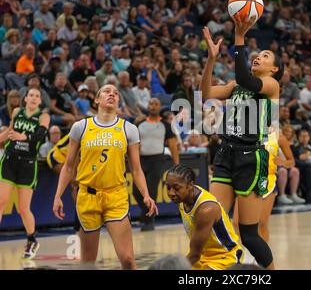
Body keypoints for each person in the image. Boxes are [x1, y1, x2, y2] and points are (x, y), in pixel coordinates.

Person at [201, 16, 282, 270]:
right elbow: (205, 94)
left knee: (249, 234)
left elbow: (248, 80)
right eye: (257, 55)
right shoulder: (236, 85)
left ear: (274, 69)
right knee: (212, 220)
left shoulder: (270, 85)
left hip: (251, 157)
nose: (258, 57)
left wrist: (239, 38)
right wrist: (211, 60)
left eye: (265, 56)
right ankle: (223, 268)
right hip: (226, 153)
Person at [52, 84, 158, 269]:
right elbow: (68, 166)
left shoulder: (129, 129)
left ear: (118, 101)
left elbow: (137, 169)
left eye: (116, 93)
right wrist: (58, 195)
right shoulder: (81, 127)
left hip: (115, 195)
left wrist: (146, 195)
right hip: (87, 197)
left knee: (127, 259)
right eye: (107, 91)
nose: (112, 94)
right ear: (97, 99)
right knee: (88, 263)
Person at [0, 88, 50, 259]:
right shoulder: (17, 111)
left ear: (40, 101)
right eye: (31, 95)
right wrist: (2, 137)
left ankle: (32, 239)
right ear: (26, 98)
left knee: (23, 208)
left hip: (28, 164)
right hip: (9, 160)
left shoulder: (43, 116)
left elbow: (41, 135)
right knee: (1, 201)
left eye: (38, 95)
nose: (34, 98)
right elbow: (10, 133)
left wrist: (25, 138)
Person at [164, 164, 244, 270]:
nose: (171, 193)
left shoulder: (206, 210)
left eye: (176, 188)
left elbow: (194, 255)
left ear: (190, 185)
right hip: (202, 256)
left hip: (225, 257)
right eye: (168, 187)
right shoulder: (184, 197)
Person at [233, 128, 295, 245]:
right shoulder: (247, 134)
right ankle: (248, 251)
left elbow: (291, 161)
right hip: (247, 179)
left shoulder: (279, 137)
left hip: (267, 181)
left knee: (262, 223)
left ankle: (262, 257)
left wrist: (283, 162)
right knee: (237, 222)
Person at [134, 98, 179, 231]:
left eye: (156, 104)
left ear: (159, 107)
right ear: (148, 106)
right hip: (142, 160)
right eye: (151, 104)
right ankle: (145, 214)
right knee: (136, 191)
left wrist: (177, 164)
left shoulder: (165, 124)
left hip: (158, 159)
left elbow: (172, 145)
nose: (153, 106)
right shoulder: (139, 123)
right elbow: (134, 143)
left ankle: (149, 221)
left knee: (152, 190)